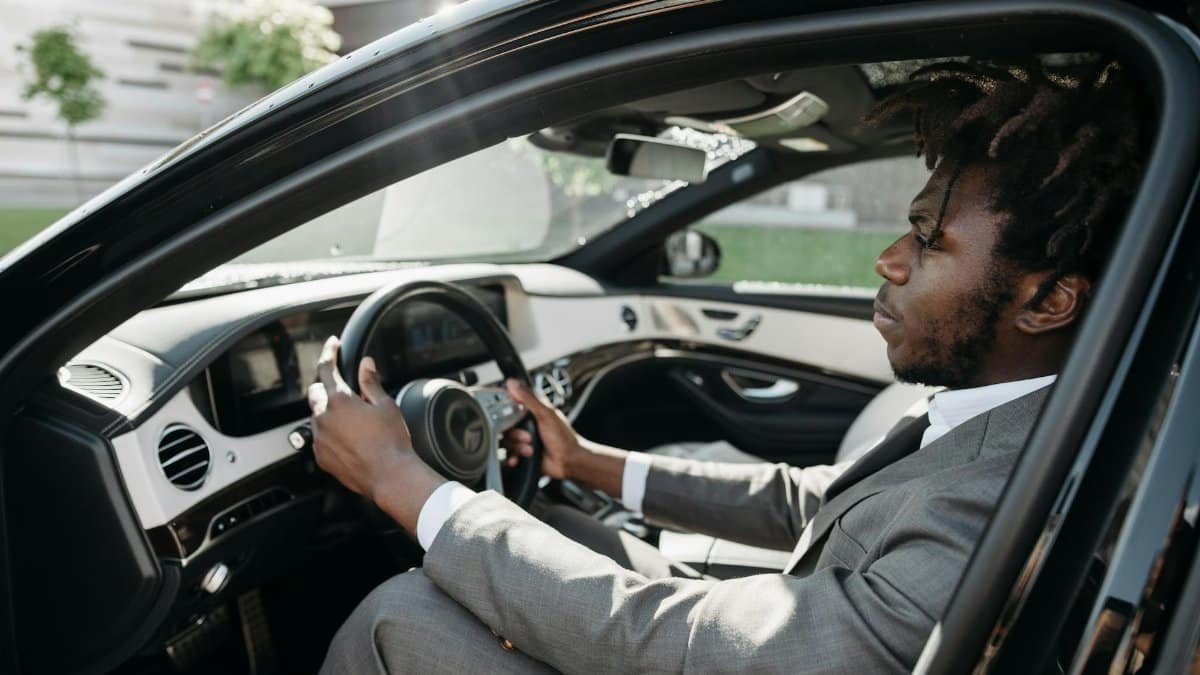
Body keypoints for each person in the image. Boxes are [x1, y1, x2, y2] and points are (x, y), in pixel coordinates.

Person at [306, 59, 1144, 673]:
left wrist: (399, 479)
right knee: (555, 522)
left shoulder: (1004, 492)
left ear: (1049, 302)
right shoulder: (1019, 410)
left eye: (928, 240)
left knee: (400, 614)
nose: (889, 259)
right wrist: (586, 462)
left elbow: (684, 643)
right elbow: (815, 501)